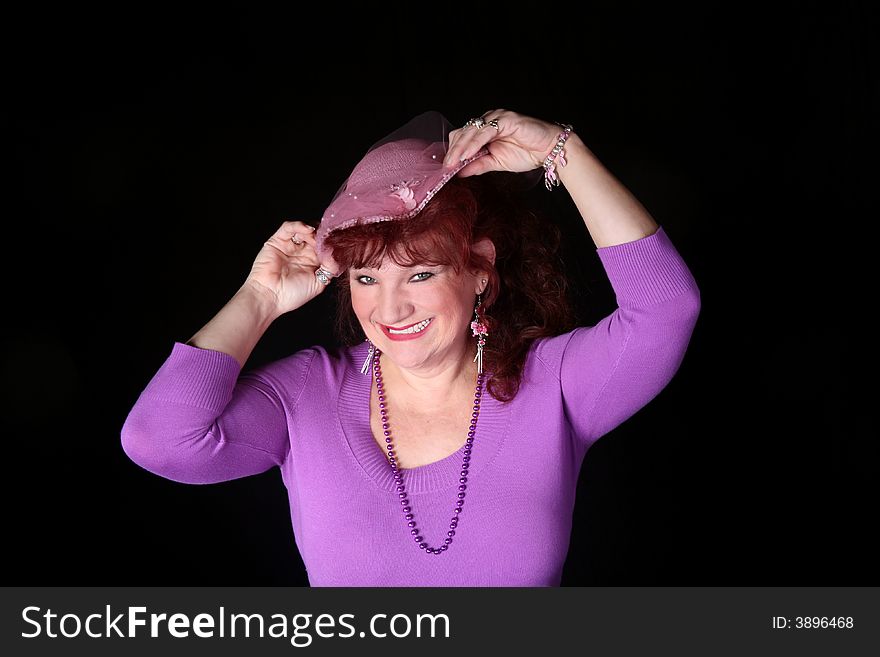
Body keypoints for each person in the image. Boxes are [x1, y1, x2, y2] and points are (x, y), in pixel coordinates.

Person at [121, 108, 701, 586]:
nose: (389, 310)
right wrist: (261, 297)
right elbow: (160, 439)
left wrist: (560, 150)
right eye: (366, 279)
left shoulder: (554, 384)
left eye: (419, 275)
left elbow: (665, 311)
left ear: (479, 270)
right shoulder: (305, 395)